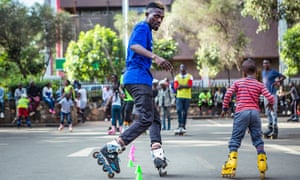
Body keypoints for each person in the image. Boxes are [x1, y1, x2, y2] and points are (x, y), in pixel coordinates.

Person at [95, 2, 172, 177]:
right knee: (146, 117)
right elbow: (134, 46)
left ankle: (157, 152)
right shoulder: (142, 27)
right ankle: (112, 148)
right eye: (156, 16)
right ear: (147, 14)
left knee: (154, 118)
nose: (159, 20)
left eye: (161, 18)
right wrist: (156, 57)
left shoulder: (148, 32)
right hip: (137, 78)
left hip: (140, 78)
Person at [221, 59, 274, 178]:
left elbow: (228, 94)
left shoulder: (238, 83)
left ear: (243, 72)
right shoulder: (259, 84)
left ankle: (231, 164)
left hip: (241, 112)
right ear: (255, 71)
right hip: (255, 114)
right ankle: (262, 164)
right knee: (257, 138)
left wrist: (225, 108)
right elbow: (270, 97)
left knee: (235, 138)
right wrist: (270, 104)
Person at [262, 59, 286, 139]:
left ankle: (275, 130)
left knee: (273, 112)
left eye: (267, 63)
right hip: (265, 95)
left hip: (272, 94)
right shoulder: (263, 72)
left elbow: (283, 77)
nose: (265, 64)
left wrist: (277, 82)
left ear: (269, 64)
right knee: (267, 112)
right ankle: (270, 128)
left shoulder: (273, 72)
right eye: (264, 63)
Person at [174, 64, 193, 133]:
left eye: (183, 67)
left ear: (185, 68)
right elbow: (176, 87)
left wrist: (181, 86)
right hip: (179, 96)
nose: (182, 69)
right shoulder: (176, 77)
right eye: (181, 67)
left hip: (187, 96)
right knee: (179, 110)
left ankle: (183, 125)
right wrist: (185, 86)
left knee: (185, 111)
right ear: (180, 69)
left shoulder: (190, 76)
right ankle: (180, 124)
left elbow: (190, 85)